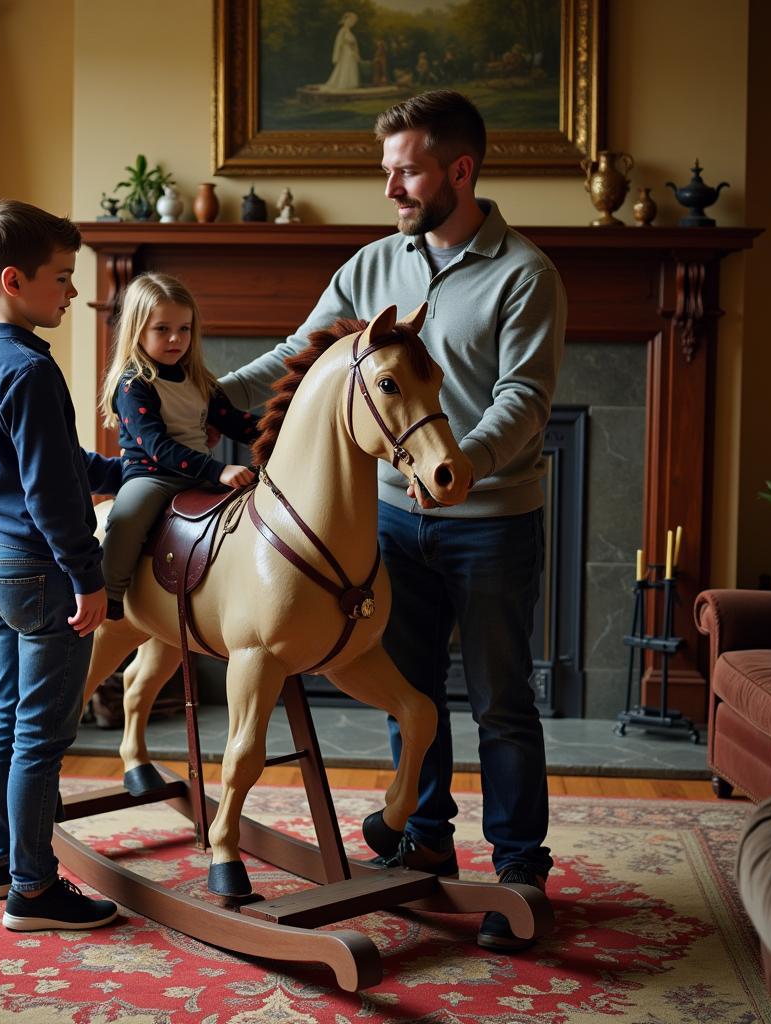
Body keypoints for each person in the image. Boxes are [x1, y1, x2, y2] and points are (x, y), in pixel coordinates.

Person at [219, 90, 567, 952]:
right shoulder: (372, 265)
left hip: (489, 520)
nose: (391, 190)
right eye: (387, 172)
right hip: (383, 528)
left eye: (405, 171)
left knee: (500, 700)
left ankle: (520, 870)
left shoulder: (526, 274)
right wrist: (196, 397)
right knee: (408, 695)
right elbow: (297, 362)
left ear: (460, 169)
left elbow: (525, 398)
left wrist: (467, 467)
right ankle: (426, 840)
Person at [0, 197, 123, 932]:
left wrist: (130, 468)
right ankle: (34, 889)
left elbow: (52, 464)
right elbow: (54, 495)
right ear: (14, 279)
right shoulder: (28, 370)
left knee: (3, 717)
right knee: (42, 736)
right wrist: (89, 578)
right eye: (62, 277)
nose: (74, 291)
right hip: (43, 570)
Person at [98, 272, 258, 619]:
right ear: (138, 330)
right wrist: (219, 470)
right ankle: (109, 592)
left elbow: (235, 421)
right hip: (152, 475)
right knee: (128, 516)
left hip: (198, 472)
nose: (176, 338)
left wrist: (281, 431)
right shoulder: (134, 384)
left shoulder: (198, 378)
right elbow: (157, 447)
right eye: (162, 329)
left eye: (184, 329)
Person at [321, 11, 361, 92]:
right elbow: (338, 44)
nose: (352, 23)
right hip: (345, 52)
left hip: (351, 53)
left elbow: (354, 44)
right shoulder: (342, 31)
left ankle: (349, 85)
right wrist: (337, 55)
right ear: (346, 21)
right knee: (345, 67)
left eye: (353, 22)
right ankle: (343, 85)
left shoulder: (349, 32)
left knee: (350, 67)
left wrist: (356, 53)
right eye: (350, 21)